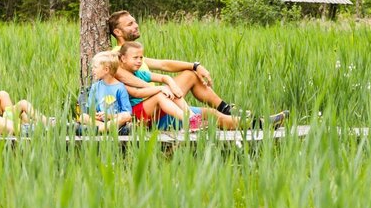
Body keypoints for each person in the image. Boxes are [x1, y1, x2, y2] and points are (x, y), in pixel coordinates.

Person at [106, 10, 287, 129]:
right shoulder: (116, 56)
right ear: (118, 32)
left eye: (135, 21)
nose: (136, 25)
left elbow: (163, 64)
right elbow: (132, 85)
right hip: (147, 108)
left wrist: (195, 65)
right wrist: (163, 87)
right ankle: (237, 115)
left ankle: (256, 123)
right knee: (191, 82)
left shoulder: (135, 54)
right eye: (130, 24)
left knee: (210, 110)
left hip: (161, 103)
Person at [78, 52, 133, 134]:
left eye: (95, 67)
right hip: (100, 121)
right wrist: (95, 115)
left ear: (106, 70)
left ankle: (98, 130)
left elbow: (127, 113)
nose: (92, 70)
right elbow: (91, 110)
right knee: (83, 117)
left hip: (114, 120)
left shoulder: (120, 88)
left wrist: (109, 116)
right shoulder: (95, 87)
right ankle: (109, 130)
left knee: (126, 116)